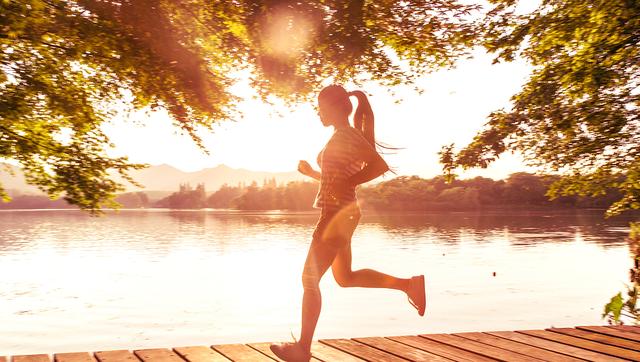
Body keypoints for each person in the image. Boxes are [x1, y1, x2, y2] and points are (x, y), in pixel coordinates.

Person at [270, 85, 426, 362]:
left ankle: (302, 350)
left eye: (321, 107)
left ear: (335, 108)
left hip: (336, 215)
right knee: (345, 277)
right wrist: (312, 174)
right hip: (341, 212)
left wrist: (349, 181)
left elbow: (378, 166)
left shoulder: (348, 135)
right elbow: (336, 180)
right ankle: (408, 285)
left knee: (309, 279)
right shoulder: (340, 137)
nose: (318, 113)